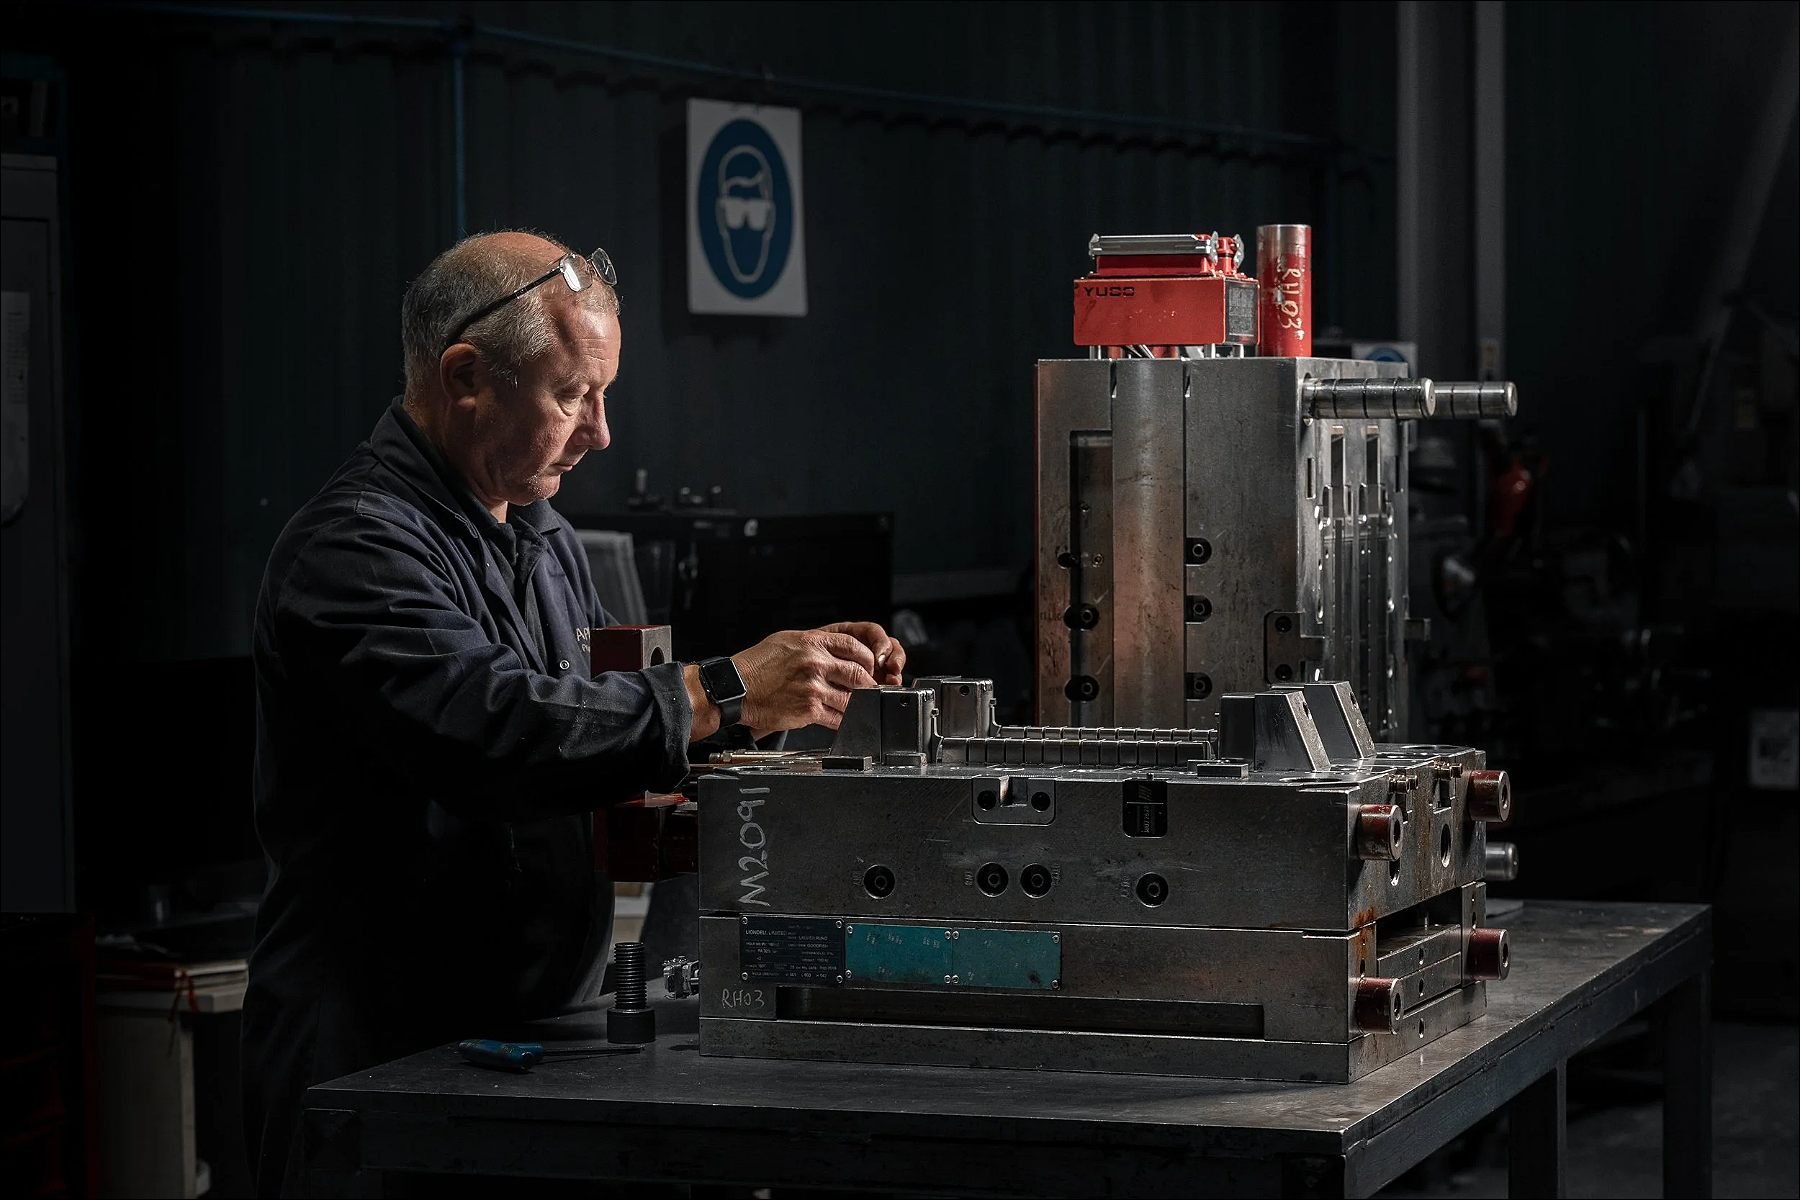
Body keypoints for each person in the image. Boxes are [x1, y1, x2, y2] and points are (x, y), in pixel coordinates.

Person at [241, 230, 904, 1195]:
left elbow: (604, 734)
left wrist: (792, 705)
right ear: (465, 377)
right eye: (571, 397)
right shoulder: (353, 553)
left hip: (530, 1042)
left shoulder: (539, 537)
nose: (600, 433)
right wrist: (729, 689)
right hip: (379, 1062)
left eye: (605, 395)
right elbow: (503, 733)